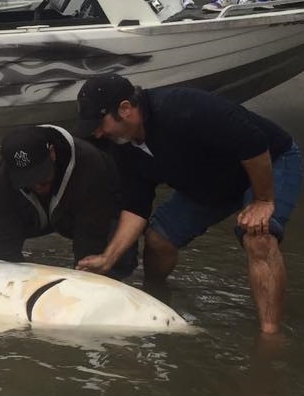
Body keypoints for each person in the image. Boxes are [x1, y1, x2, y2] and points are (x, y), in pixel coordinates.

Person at [73, 73, 302, 335]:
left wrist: (263, 200)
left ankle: (269, 337)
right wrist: (107, 258)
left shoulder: (182, 107)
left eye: (99, 123)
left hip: (269, 162)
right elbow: (136, 208)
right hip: (209, 181)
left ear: (125, 109)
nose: (97, 132)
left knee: (259, 237)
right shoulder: (122, 148)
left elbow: (254, 141)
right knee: (158, 240)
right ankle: (155, 300)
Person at [0, 124, 135, 278]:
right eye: (28, 180)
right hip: (32, 215)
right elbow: (2, 238)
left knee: (110, 254)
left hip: (85, 211)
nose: (37, 185)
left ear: (52, 153)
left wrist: (86, 272)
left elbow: (91, 235)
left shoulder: (90, 163)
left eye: (41, 177)